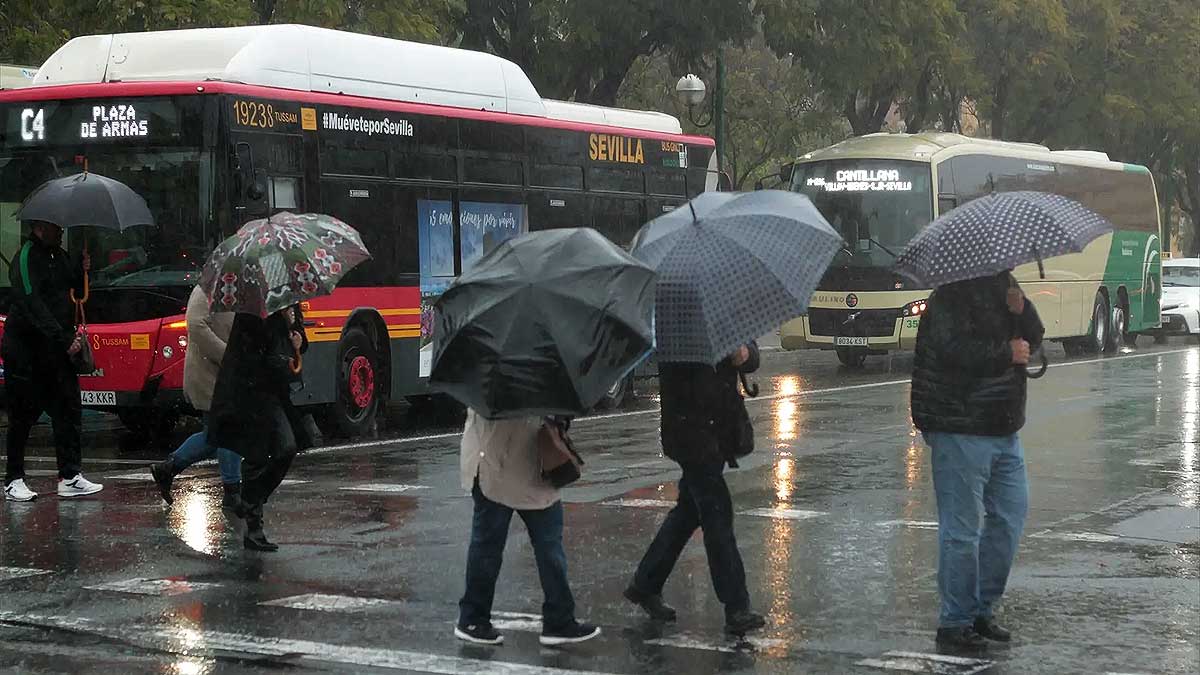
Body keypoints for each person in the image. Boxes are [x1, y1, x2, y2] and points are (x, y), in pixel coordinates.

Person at [911, 271, 1044, 652]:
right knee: (962, 530)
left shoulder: (1005, 282)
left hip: (1003, 425)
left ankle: (982, 609)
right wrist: (1006, 353)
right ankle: (956, 621)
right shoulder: (950, 294)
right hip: (960, 424)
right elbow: (952, 349)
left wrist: (1023, 310)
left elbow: (1033, 339)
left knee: (1009, 518)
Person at [624, 342, 766, 635]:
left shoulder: (721, 317)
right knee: (717, 514)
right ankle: (736, 605)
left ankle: (645, 583)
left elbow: (751, 356)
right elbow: (682, 381)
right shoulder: (675, 329)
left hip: (719, 428)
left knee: (688, 512)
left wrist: (745, 354)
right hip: (690, 431)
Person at [455, 411, 600, 647]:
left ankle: (558, 620)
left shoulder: (537, 391)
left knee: (547, 546)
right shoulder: (493, 390)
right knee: (491, 546)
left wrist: (560, 415)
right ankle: (473, 618)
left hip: (534, 463)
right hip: (495, 462)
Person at [3, 221, 102, 501]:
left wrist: (82, 269)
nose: (61, 232)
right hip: (26, 349)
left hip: (56, 348)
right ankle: (13, 479)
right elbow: (31, 302)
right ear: (40, 227)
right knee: (22, 415)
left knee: (68, 410)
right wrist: (62, 338)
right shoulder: (25, 257)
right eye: (56, 228)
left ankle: (70, 475)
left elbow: (74, 289)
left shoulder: (59, 254)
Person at [207, 305, 311, 551]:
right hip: (248, 393)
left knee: (286, 449)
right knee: (257, 456)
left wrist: (296, 337)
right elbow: (251, 356)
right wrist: (282, 360)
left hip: (273, 394)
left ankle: (249, 502)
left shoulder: (288, 306)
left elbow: (297, 343)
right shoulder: (251, 313)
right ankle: (254, 530)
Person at [149, 285, 242, 509]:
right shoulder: (207, 288)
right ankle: (232, 492)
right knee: (229, 429)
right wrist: (227, 355)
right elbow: (196, 325)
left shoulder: (240, 288)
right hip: (210, 374)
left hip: (230, 373)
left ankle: (167, 468)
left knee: (214, 436)